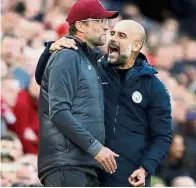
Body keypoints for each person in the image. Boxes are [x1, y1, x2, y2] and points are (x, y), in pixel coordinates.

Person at [36, 20, 172, 186]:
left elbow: (162, 136)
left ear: (136, 46)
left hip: (129, 176)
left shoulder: (154, 86)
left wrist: (146, 168)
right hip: (92, 168)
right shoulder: (93, 67)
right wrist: (50, 50)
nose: (113, 39)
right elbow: (45, 80)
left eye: (122, 36)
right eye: (112, 33)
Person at [37, 0, 119, 186]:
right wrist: (96, 148)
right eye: (100, 21)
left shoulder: (89, 60)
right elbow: (58, 111)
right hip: (67, 164)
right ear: (81, 25)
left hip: (84, 163)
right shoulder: (67, 55)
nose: (106, 28)